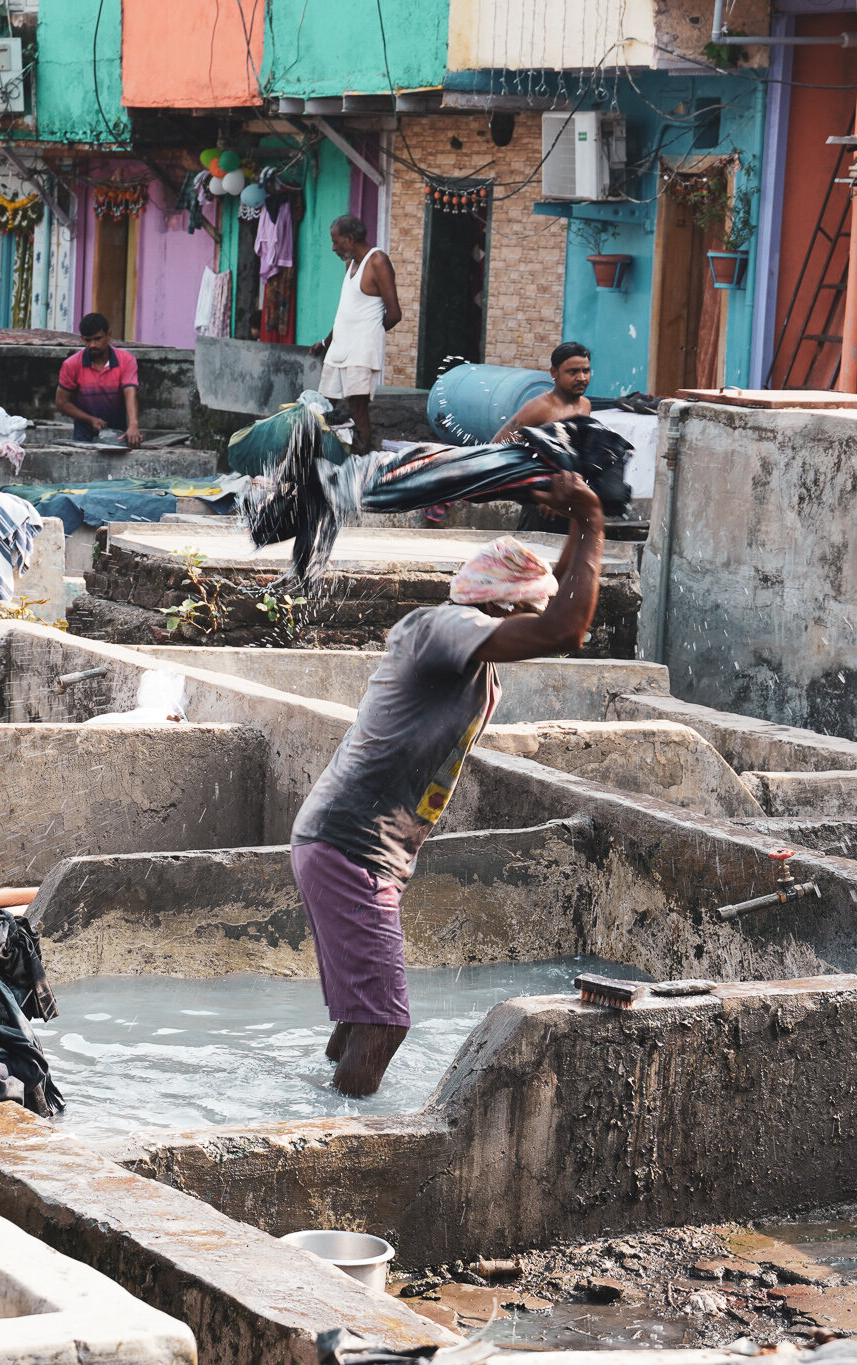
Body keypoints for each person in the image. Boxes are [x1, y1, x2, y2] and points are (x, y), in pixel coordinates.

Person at [290, 475, 605, 1097]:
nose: (537, 621)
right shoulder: (444, 628)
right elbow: (564, 629)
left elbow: (556, 609)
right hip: (350, 845)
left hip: (351, 846)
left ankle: (318, 1102)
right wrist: (594, 523)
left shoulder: (464, 643)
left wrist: (575, 521)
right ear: (503, 607)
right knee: (385, 1023)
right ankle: (347, 1139)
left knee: (361, 1015)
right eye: (528, 609)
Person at [310, 214, 402, 456]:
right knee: (324, 405)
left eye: (336, 241)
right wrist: (325, 342)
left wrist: (369, 333)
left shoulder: (378, 261)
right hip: (339, 348)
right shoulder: (349, 264)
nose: (333, 248)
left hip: (362, 350)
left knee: (358, 409)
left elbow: (394, 314)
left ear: (350, 239)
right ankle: (329, 458)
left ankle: (362, 464)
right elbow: (346, 314)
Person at [54, 313, 142, 446]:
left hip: (119, 435)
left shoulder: (126, 360)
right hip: (83, 437)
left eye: (97, 339)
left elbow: (130, 392)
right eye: (88, 340)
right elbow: (61, 402)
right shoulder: (71, 364)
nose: (92, 345)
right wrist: (91, 420)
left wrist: (133, 425)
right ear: (82, 339)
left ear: (109, 335)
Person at [494, 342, 594, 443]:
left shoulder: (585, 405)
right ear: (554, 373)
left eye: (586, 371)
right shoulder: (539, 408)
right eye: (573, 372)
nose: (582, 378)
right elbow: (498, 445)